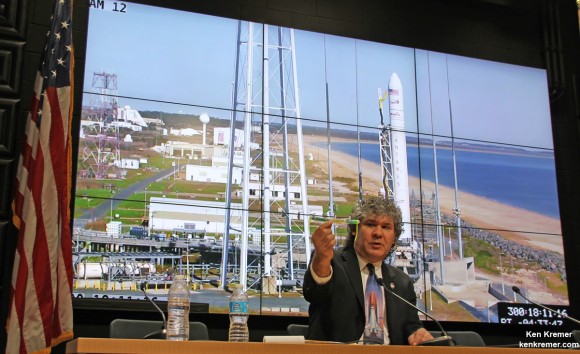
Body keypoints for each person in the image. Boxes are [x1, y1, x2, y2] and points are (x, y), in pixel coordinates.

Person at [303, 194, 434, 345]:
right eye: (371, 224)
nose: (378, 233)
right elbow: (314, 292)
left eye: (386, 227)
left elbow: (411, 327)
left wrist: (417, 334)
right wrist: (321, 258)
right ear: (354, 230)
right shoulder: (331, 262)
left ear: (394, 238)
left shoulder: (402, 283)